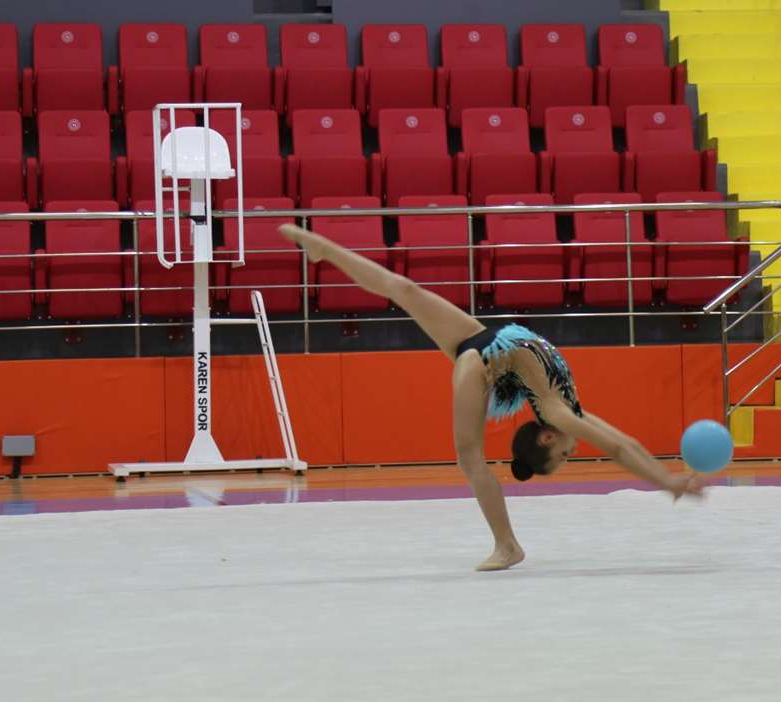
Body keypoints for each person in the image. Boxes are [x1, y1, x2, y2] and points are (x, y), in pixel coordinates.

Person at [276, 223, 712, 572]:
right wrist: (667, 482)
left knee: (469, 458)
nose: (571, 453)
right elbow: (620, 445)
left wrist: (667, 482)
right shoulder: (562, 411)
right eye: (564, 458)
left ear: (545, 438)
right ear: (546, 440)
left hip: (480, 362)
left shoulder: (559, 413)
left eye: (563, 458)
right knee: (403, 289)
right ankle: (326, 250)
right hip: (484, 345)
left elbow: (619, 445)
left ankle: (506, 544)